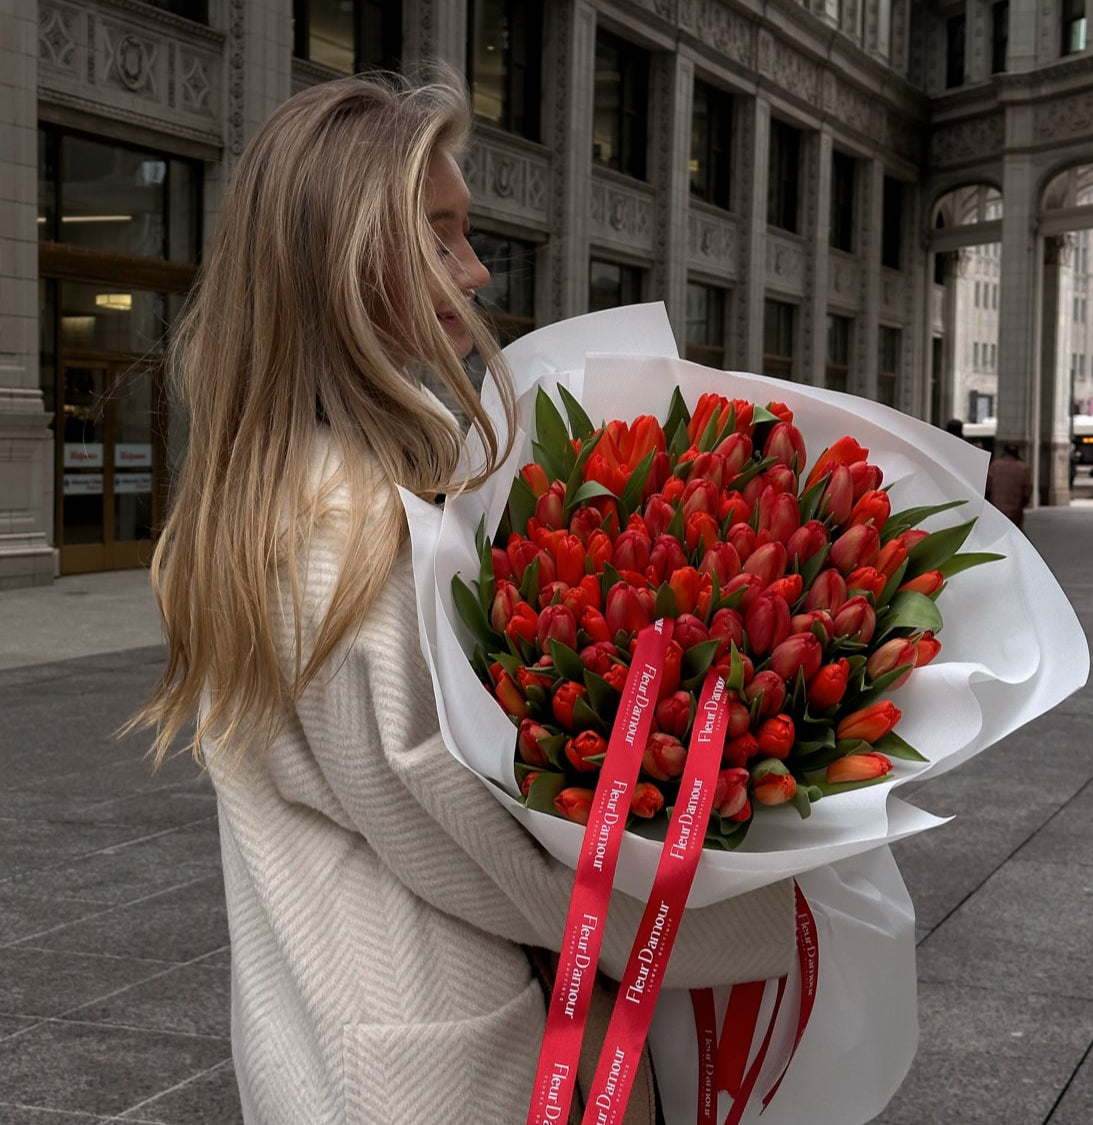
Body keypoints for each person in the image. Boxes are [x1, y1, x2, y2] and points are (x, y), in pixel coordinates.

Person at [129, 71, 794, 1125]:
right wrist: (749, 908)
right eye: (438, 236)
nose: (475, 271)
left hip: (357, 1026)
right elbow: (467, 839)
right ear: (341, 255)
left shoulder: (295, 484)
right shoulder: (340, 524)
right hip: (413, 1058)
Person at [985, 441, 1033, 528]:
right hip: (1015, 513)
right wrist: (1021, 505)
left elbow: (988, 488)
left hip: (997, 511)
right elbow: (1027, 492)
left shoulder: (995, 465)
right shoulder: (1024, 468)